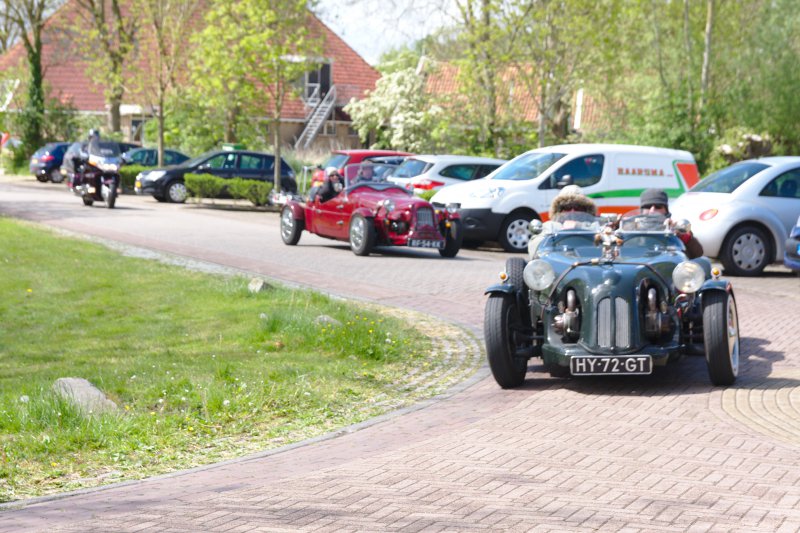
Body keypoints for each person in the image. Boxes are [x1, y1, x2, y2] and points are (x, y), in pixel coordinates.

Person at [528, 185, 598, 258]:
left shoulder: (593, 226)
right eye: (567, 207)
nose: (572, 211)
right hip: (557, 262)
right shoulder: (550, 226)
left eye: (578, 207)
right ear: (559, 210)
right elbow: (535, 249)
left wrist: (578, 225)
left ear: (586, 210)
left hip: (589, 261)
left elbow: (602, 237)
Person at [640, 188, 704, 259]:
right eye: (648, 207)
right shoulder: (631, 227)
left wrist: (681, 235)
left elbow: (698, 254)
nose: (652, 210)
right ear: (642, 210)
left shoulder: (677, 227)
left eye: (658, 207)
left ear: (666, 210)